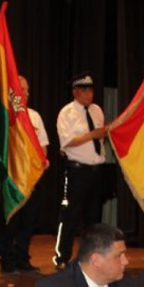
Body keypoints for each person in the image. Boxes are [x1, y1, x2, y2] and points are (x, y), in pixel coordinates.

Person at [0, 75, 48, 275]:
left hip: (30, 179)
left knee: (28, 222)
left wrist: (39, 167)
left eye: (27, 89)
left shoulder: (34, 116)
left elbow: (42, 146)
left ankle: (23, 259)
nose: (26, 93)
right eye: (22, 89)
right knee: (9, 223)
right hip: (9, 179)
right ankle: (7, 261)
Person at [54, 72, 108, 270]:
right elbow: (67, 141)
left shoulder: (97, 110)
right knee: (70, 215)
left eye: (90, 90)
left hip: (96, 169)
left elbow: (100, 138)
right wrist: (92, 135)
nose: (88, 94)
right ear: (75, 92)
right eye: (84, 90)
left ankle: (90, 256)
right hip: (77, 170)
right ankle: (62, 256)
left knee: (93, 217)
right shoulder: (67, 113)